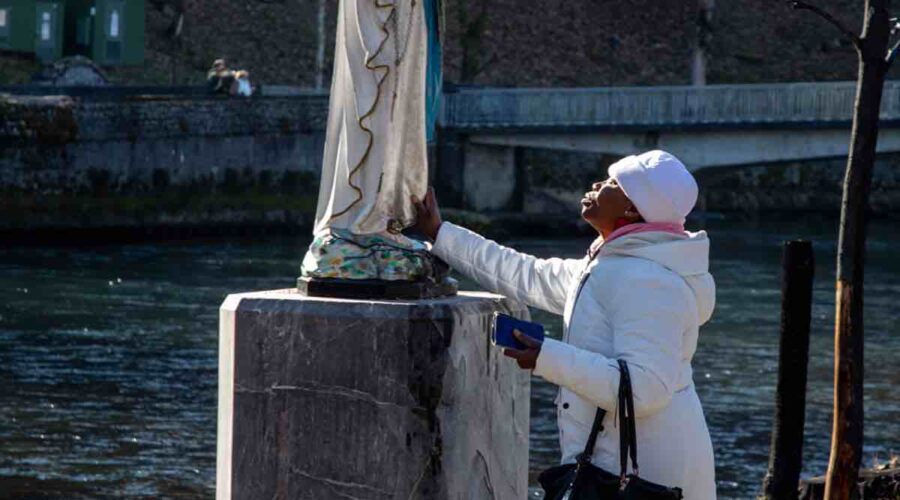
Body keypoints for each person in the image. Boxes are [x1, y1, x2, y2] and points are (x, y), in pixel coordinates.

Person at [412, 150, 717, 500]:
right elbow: (527, 274)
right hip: (617, 467)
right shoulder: (614, 266)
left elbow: (644, 389)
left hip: (645, 475)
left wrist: (547, 357)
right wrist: (441, 234)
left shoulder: (647, 281)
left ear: (633, 208)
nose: (597, 185)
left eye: (613, 183)